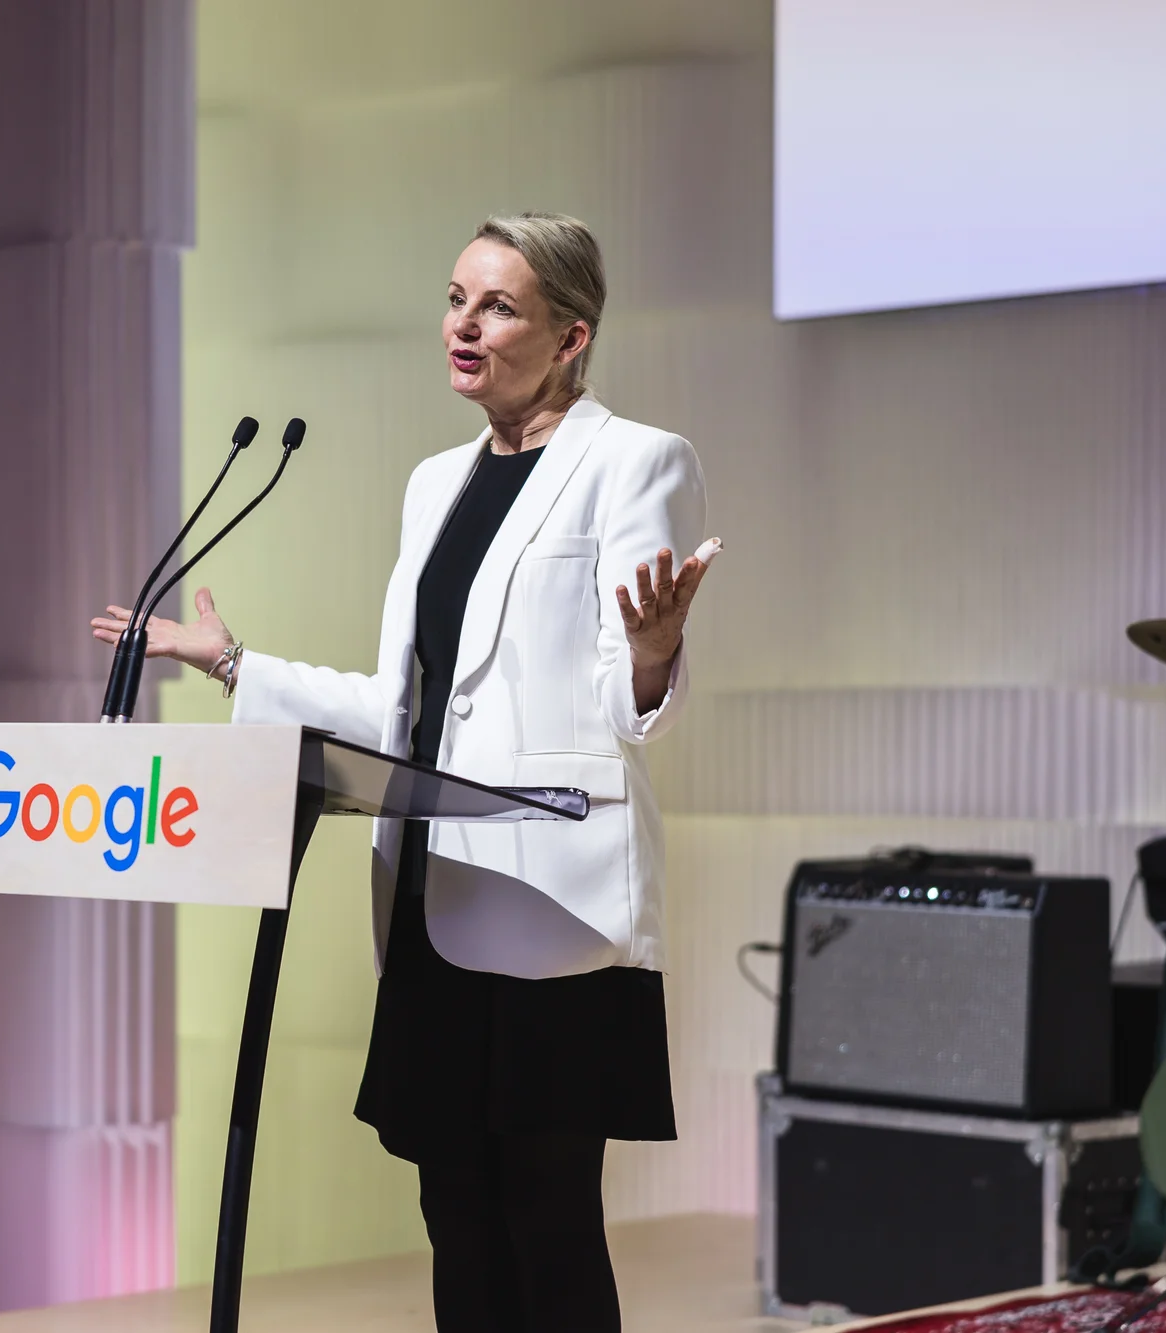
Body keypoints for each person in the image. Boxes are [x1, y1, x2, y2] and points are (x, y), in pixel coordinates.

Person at [92, 212, 712, 1332]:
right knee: (455, 1209)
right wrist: (236, 663)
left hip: (549, 903)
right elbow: (399, 709)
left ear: (571, 335)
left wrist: (657, 651)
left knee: (547, 1214)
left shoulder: (636, 461)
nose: (462, 325)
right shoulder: (435, 481)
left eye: (498, 306)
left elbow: (631, 710)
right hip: (431, 893)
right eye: (455, 298)